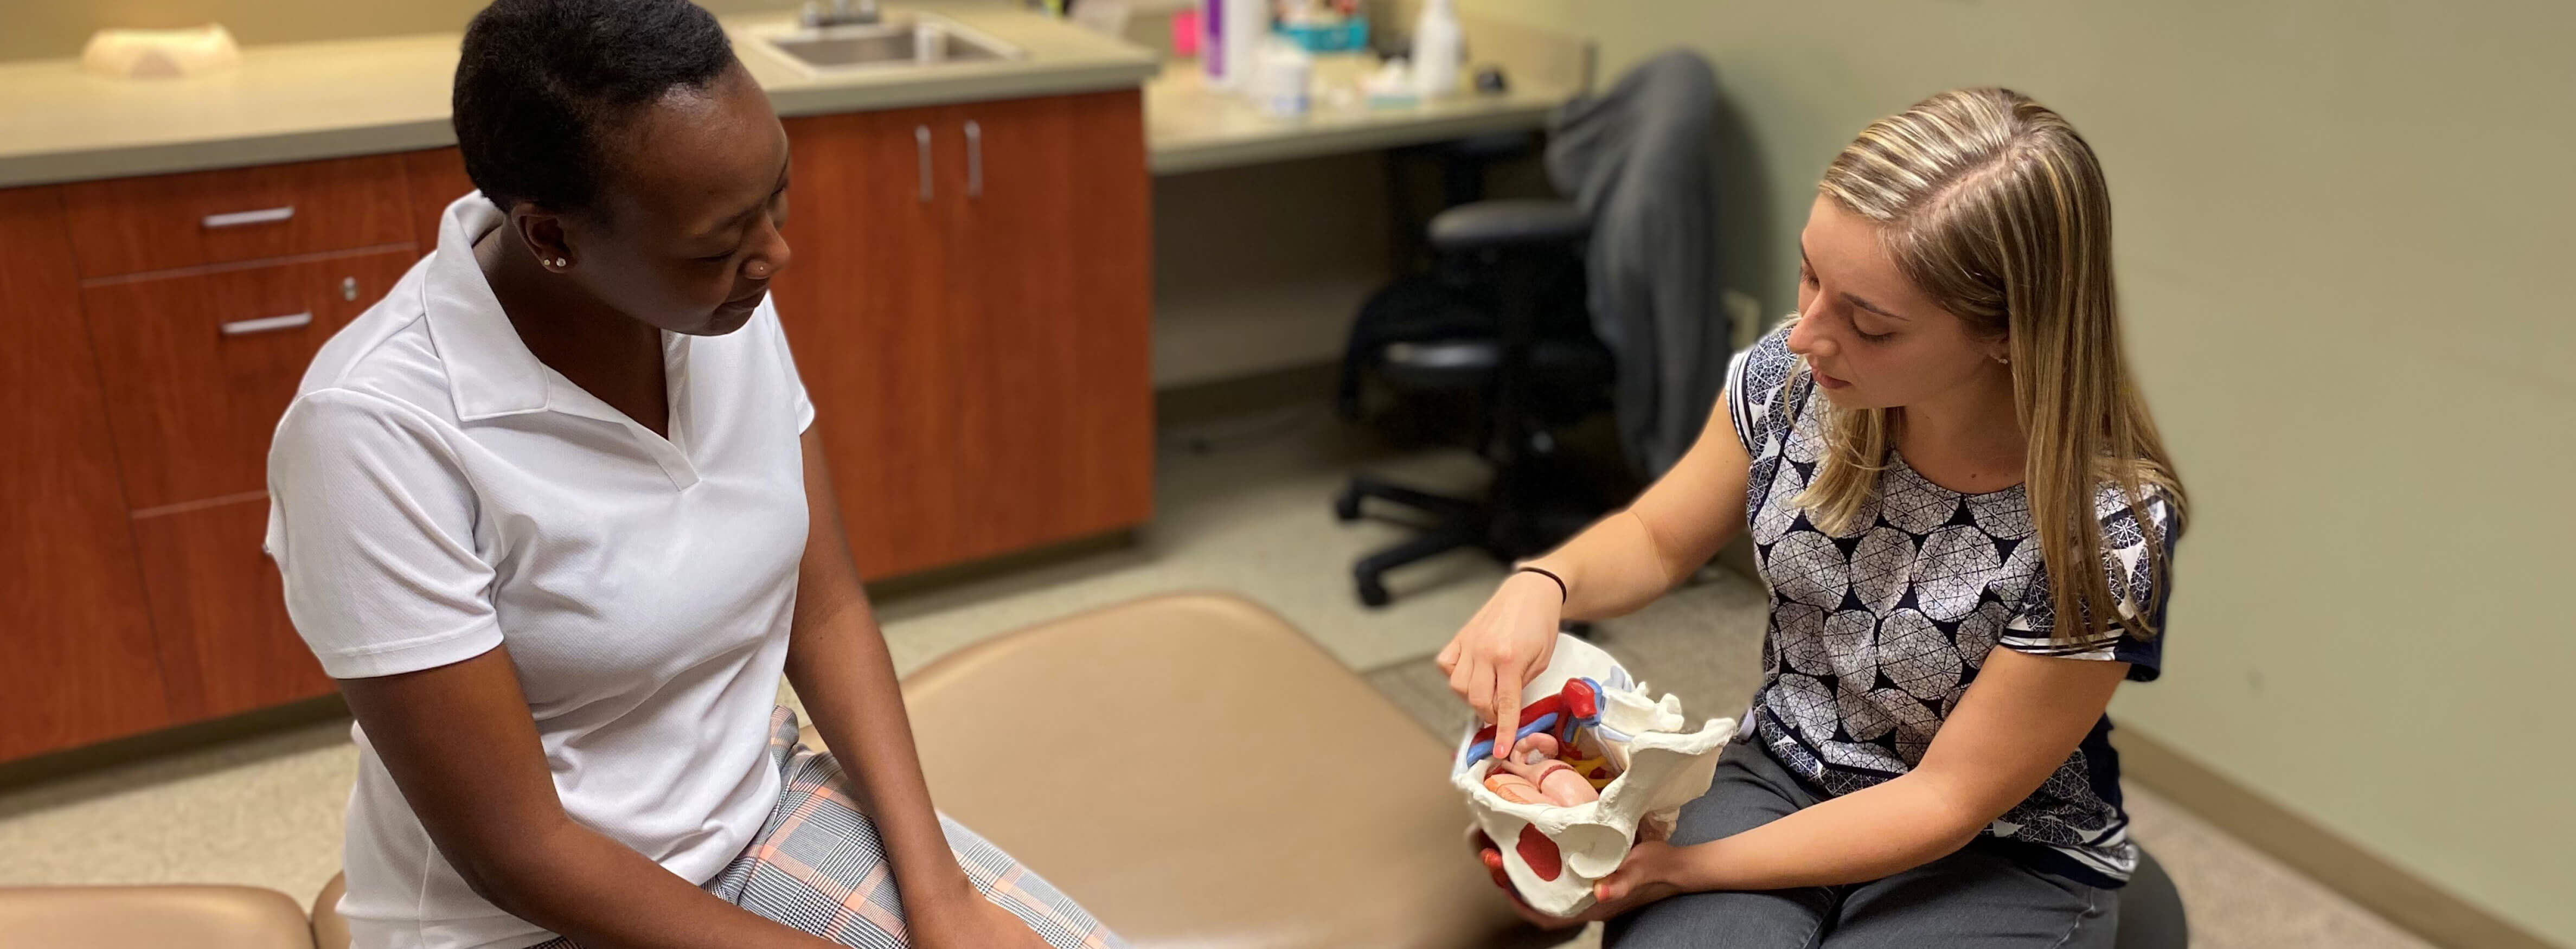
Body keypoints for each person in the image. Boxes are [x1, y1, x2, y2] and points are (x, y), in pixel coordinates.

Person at [262, 2, 1121, 947]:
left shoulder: (711, 301)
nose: (774, 254)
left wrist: (942, 895)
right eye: (719, 242)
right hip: (525, 919)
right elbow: (521, 850)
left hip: (755, 813)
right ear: (552, 237)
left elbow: (825, 610)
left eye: (775, 198)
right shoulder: (370, 431)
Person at [1437, 87, 2186, 948]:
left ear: (2009, 332)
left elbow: (1945, 798)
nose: (1805, 334)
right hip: (1787, 769)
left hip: (2001, 843)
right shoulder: (1793, 385)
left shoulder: (2102, 531)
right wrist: (1545, 581)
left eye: (1869, 324)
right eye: (1810, 275)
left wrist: (1679, 869)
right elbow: (1653, 537)